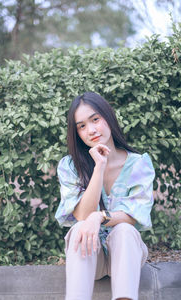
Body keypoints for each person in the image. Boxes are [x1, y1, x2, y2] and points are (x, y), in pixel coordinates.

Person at [55, 92, 155, 300]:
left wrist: (99, 216)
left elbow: (134, 215)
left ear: (108, 117)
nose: (91, 130)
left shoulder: (138, 164)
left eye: (95, 119)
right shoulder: (70, 166)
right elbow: (82, 214)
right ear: (77, 133)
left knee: (125, 230)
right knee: (79, 228)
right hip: (91, 254)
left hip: (126, 254)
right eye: (81, 126)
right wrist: (99, 167)